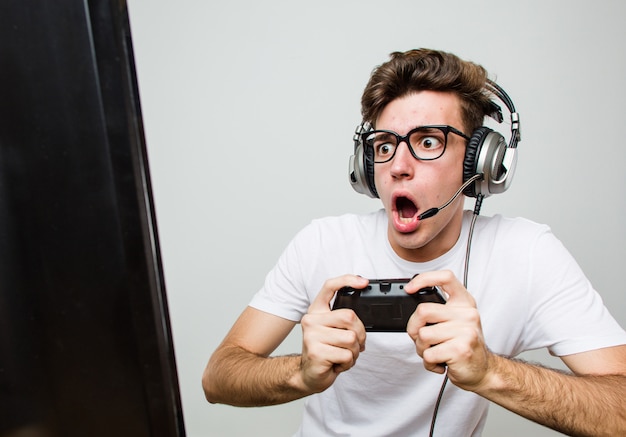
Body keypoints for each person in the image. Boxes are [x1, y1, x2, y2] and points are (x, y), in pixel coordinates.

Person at [202, 48, 626, 436]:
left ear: (479, 161)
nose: (399, 167)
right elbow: (218, 378)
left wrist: (490, 372)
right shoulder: (321, 242)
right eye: (384, 146)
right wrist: (300, 372)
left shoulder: (528, 254)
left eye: (427, 141)